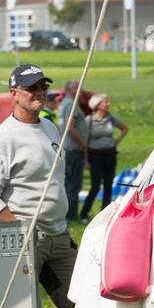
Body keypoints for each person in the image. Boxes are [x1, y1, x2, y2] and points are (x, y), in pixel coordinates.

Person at [0, 63, 78, 308]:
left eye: (43, 86)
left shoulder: (50, 128)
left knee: (83, 307)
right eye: (31, 88)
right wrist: (21, 231)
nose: (39, 92)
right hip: (27, 239)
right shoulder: (2, 139)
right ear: (14, 93)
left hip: (59, 235)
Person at [81, 94, 128, 220]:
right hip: (95, 155)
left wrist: (116, 141)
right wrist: (85, 160)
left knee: (108, 185)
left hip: (110, 154)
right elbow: (85, 141)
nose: (108, 104)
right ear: (97, 105)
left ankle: (104, 215)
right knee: (95, 185)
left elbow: (125, 128)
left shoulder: (110, 118)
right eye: (105, 102)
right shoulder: (89, 120)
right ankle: (84, 214)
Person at [57, 79, 88, 222]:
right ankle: (71, 216)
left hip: (66, 148)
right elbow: (70, 127)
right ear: (71, 90)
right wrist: (82, 144)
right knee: (73, 184)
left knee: (67, 182)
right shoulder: (72, 104)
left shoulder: (63, 103)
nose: (80, 91)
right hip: (74, 148)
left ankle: (66, 214)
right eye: (78, 88)